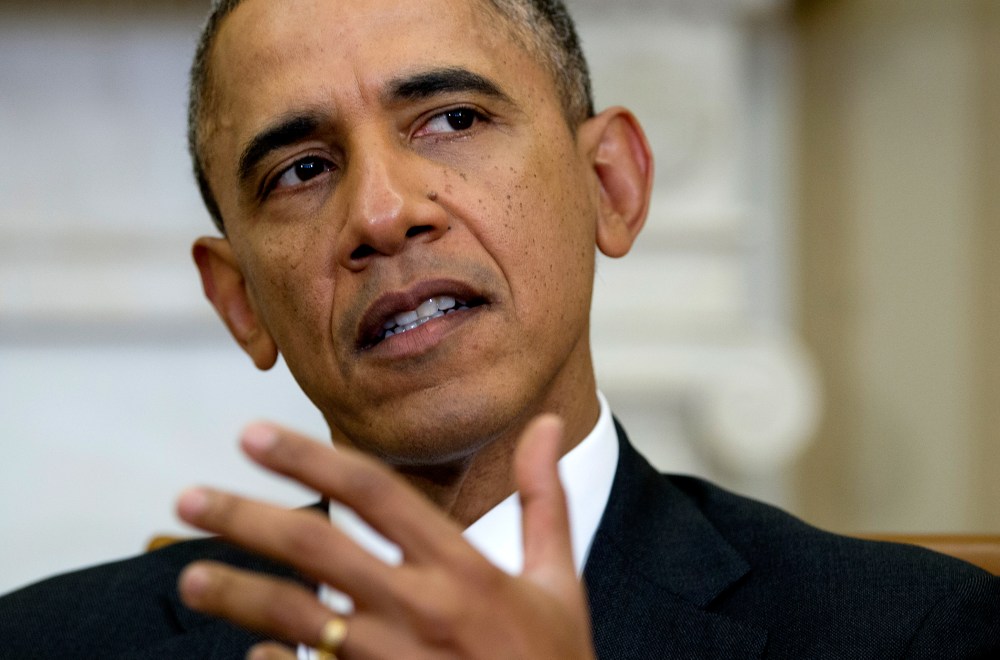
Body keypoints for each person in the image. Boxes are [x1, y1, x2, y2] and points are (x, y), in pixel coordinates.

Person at [1, 0, 999, 657]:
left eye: (451, 119)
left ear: (610, 185)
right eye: (300, 170)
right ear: (240, 303)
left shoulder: (910, 634)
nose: (383, 213)